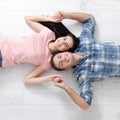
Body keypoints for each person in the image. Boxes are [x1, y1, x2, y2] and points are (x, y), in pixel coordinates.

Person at [50, 11, 120, 111]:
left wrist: (66, 15)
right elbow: (85, 105)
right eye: (62, 63)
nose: (64, 58)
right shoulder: (82, 74)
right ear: (66, 68)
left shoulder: (83, 41)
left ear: (64, 51)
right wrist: (65, 87)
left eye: (60, 56)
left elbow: (89, 19)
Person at [0, 11, 80, 85]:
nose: (62, 42)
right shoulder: (49, 34)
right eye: (64, 39)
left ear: (64, 50)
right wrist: (49, 19)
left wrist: (49, 78)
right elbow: (28, 19)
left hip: (4, 58)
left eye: (65, 45)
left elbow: (27, 80)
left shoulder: (47, 61)